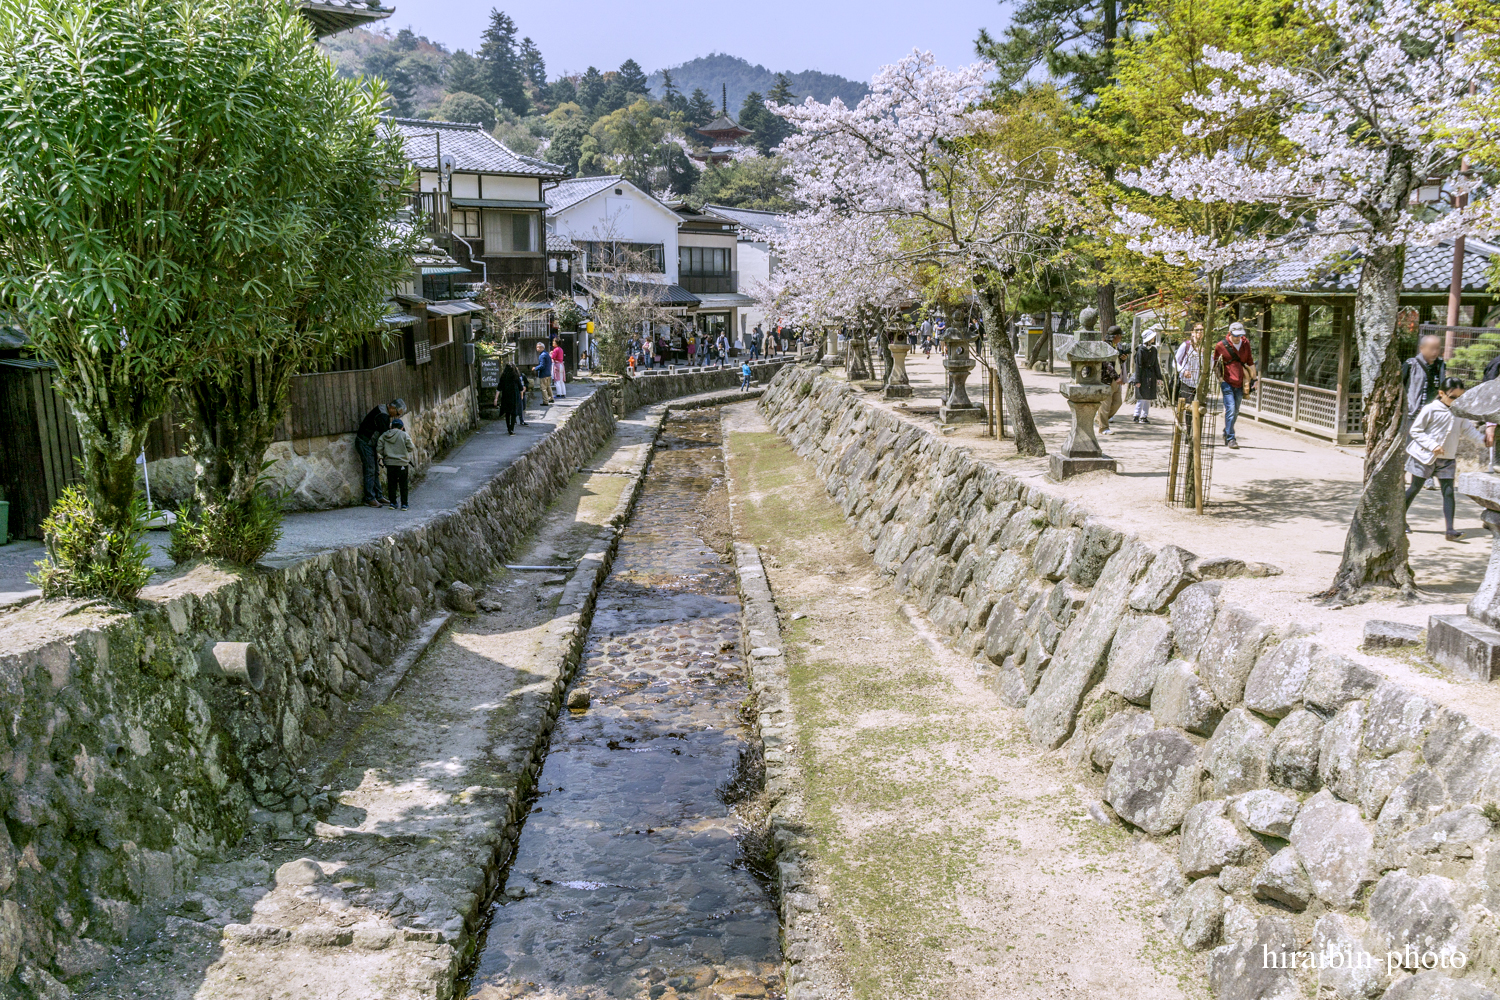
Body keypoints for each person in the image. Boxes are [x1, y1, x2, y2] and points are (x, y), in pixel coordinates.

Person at [1404, 376, 1467, 541]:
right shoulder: (1430, 409)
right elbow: (1416, 430)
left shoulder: (1460, 412)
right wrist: (1432, 445)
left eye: (1460, 398)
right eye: (1453, 397)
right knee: (1415, 488)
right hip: (1424, 456)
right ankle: (1399, 520)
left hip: (1447, 458)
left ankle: (1450, 530)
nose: (1456, 401)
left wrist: (1483, 440)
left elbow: (1468, 430)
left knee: (1448, 492)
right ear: (1441, 393)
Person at [1213, 321, 1257, 449]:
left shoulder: (1245, 343)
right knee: (1230, 409)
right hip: (1227, 381)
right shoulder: (1221, 345)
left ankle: (1226, 431)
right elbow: (1216, 364)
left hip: (1241, 381)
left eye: (1240, 335)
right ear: (1230, 333)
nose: (1238, 338)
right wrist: (1220, 378)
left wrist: (1255, 379)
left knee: (1236, 410)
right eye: (1235, 335)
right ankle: (1231, 438)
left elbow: (1250, 361)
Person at [355, 398, 403, 508]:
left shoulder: (383, 411)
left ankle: (378, 495)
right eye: (396, 413)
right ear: (392, 408)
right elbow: (385, 435)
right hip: (365, 442)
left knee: (375, 469)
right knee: (370, 469)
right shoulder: (382, 415)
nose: (395, 416)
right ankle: (369, 499)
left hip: (369, 443)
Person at [1403, 333, 1446, 427]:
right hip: (1412, 416)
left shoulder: (1440, 365)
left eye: (1437, 348)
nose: (1435, 352)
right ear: (1421, 348)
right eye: (1431, 348)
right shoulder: (1410, 364)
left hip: (1431, 417)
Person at [377, 417, 414, 511]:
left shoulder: (385, 435)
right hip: (402, 463)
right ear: (402, 427)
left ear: (391, 426)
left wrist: (385, 454)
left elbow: (379, 448)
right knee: (403, 484)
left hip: (390, 463)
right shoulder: (404, 435)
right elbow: (411, 447)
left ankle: (393, 503)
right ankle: (404, 504)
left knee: (391, 484)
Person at [1097, 327, 1126, 434]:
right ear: (1115, 336)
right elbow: (1107, 364)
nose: (1121, 337)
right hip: (1106, 380)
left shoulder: (1116, 346)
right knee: (1105, 404)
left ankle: (1100, 420)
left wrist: (1122, 360)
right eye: (1120, 335)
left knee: (1118, 402)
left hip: (1116, 378)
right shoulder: (1105, 346)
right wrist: (1116, 377)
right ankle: (1103, 428)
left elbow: (1115, 363)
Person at [1131, 329, 1163, 424]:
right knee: (1141, 396)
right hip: (1142, 375)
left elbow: (1156, 364)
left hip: (1151, 375)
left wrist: (1159, 377)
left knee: (1148, 397)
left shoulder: (1153, 350)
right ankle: (1136, 414)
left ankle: (1144, 416)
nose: (1153, 338)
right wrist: (1137, 380)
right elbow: (1138, 366)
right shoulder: (1140, 350)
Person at [1174, 324, 1206, 403]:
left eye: (1201, 330)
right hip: (1187, 383)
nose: (1199, 332)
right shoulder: (1186, 345)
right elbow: (1174, 362)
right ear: (1192, 332)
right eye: (1197, 330)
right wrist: (1183, 371)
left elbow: (1211, 364)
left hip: (1201, 384)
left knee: (1200, 410)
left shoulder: (1206, 347)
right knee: (1189, 409)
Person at [498, 361, 525, 435]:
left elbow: (499, 387)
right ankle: (512, 429)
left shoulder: (503, 376)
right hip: (514, 397)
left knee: (507, 413)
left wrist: (496, 398)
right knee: (513, 413)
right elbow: (521, 388)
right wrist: (521, 396)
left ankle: (508, 427)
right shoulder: (516, 376)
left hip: (506, 397)